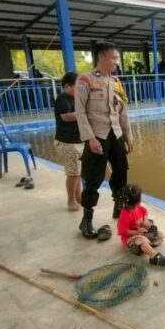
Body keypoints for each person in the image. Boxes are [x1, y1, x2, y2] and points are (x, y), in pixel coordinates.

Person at [75, 41, 133, 241]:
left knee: (121, 173)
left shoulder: (116, 82)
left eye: (117, 58)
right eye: (114, 58)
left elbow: (123, 112)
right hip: (97, 136)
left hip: (116, 135)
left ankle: (119, 208)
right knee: (93, 178)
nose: (116, 62)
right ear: (101, 57)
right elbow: (80, 113)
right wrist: (90, 138)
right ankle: (87, 219)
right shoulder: (85, 80)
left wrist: (128, 137)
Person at [117, 184, 165, 266]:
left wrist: (145, 220)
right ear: (138, 200)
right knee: (142, 240)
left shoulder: (138, 207)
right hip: (131, 237)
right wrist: (136, 233)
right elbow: (122, 231)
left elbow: (145, 212)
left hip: (142, 232)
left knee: (160, 235)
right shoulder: (125, 215)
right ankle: (154, 256)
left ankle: (140, 247)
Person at [53, 72, 83, 211]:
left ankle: (78, 198)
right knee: (72, 173)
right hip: (67, 142)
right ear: (68, 86)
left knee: (77, 172)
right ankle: (71, 201)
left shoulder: (74, 99)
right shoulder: (62, 99)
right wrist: (84, 114)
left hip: (76, 141)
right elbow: (66, 117)